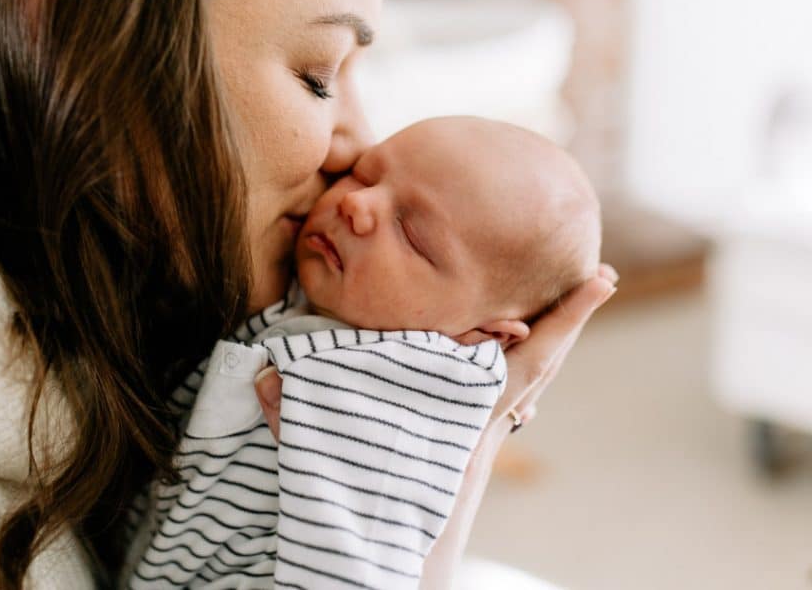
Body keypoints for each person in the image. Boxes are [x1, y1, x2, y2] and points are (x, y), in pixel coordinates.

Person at [0, 0, 617, 589]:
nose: (358, 148)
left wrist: (458, 464)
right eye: (318, 74)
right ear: (71, 22)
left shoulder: (93, 313)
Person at [123, 116, 601, 588]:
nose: (356, 203)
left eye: (412, 234)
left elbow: (358, 572)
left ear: (486, 335)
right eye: (365, 174)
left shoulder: (406, 397)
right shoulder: (324, 291)